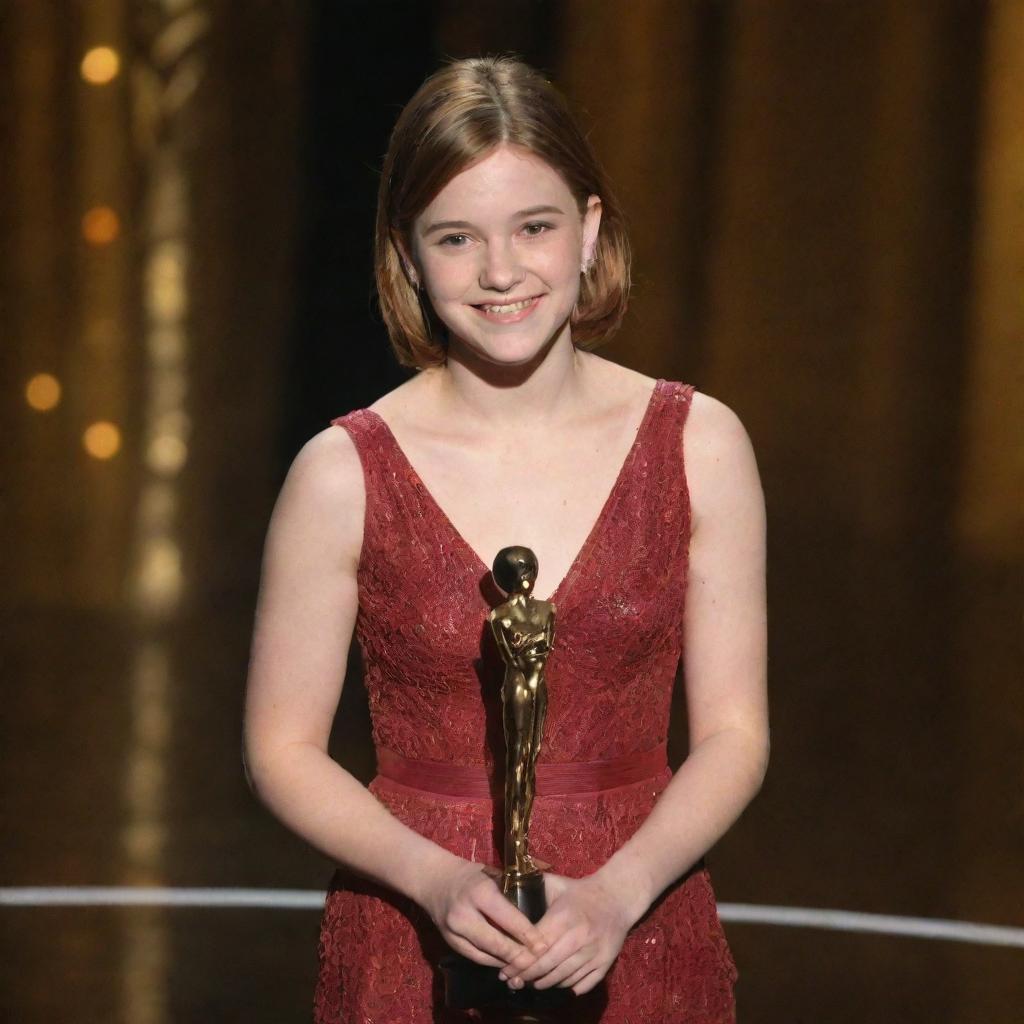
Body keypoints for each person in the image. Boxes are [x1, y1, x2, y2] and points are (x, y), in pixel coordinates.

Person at [242, 54, 769, 1024]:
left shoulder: (699, 443)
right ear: (404, 254)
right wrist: (433, 877)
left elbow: (734, 731)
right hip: (410, 927)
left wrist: (619, 888)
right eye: (454, 237)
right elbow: (281, 744)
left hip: (639, 915)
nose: (499, 271)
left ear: (590, 230)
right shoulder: (342, 470)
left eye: (534, 227)